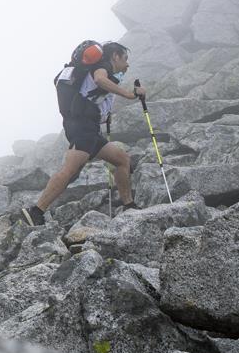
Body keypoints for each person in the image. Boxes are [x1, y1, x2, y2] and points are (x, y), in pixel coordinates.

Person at [21, 41, 146, 226]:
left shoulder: (98, 70)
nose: (127, 64)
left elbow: (92, 94)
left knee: (122, 160)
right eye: (125, 59)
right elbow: (100, 80)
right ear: (115, 57)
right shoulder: (102, 66)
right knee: (70, 170)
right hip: (82, 127)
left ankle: (129, 205)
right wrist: (129, 94)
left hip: (87, 127)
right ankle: (36, 211)